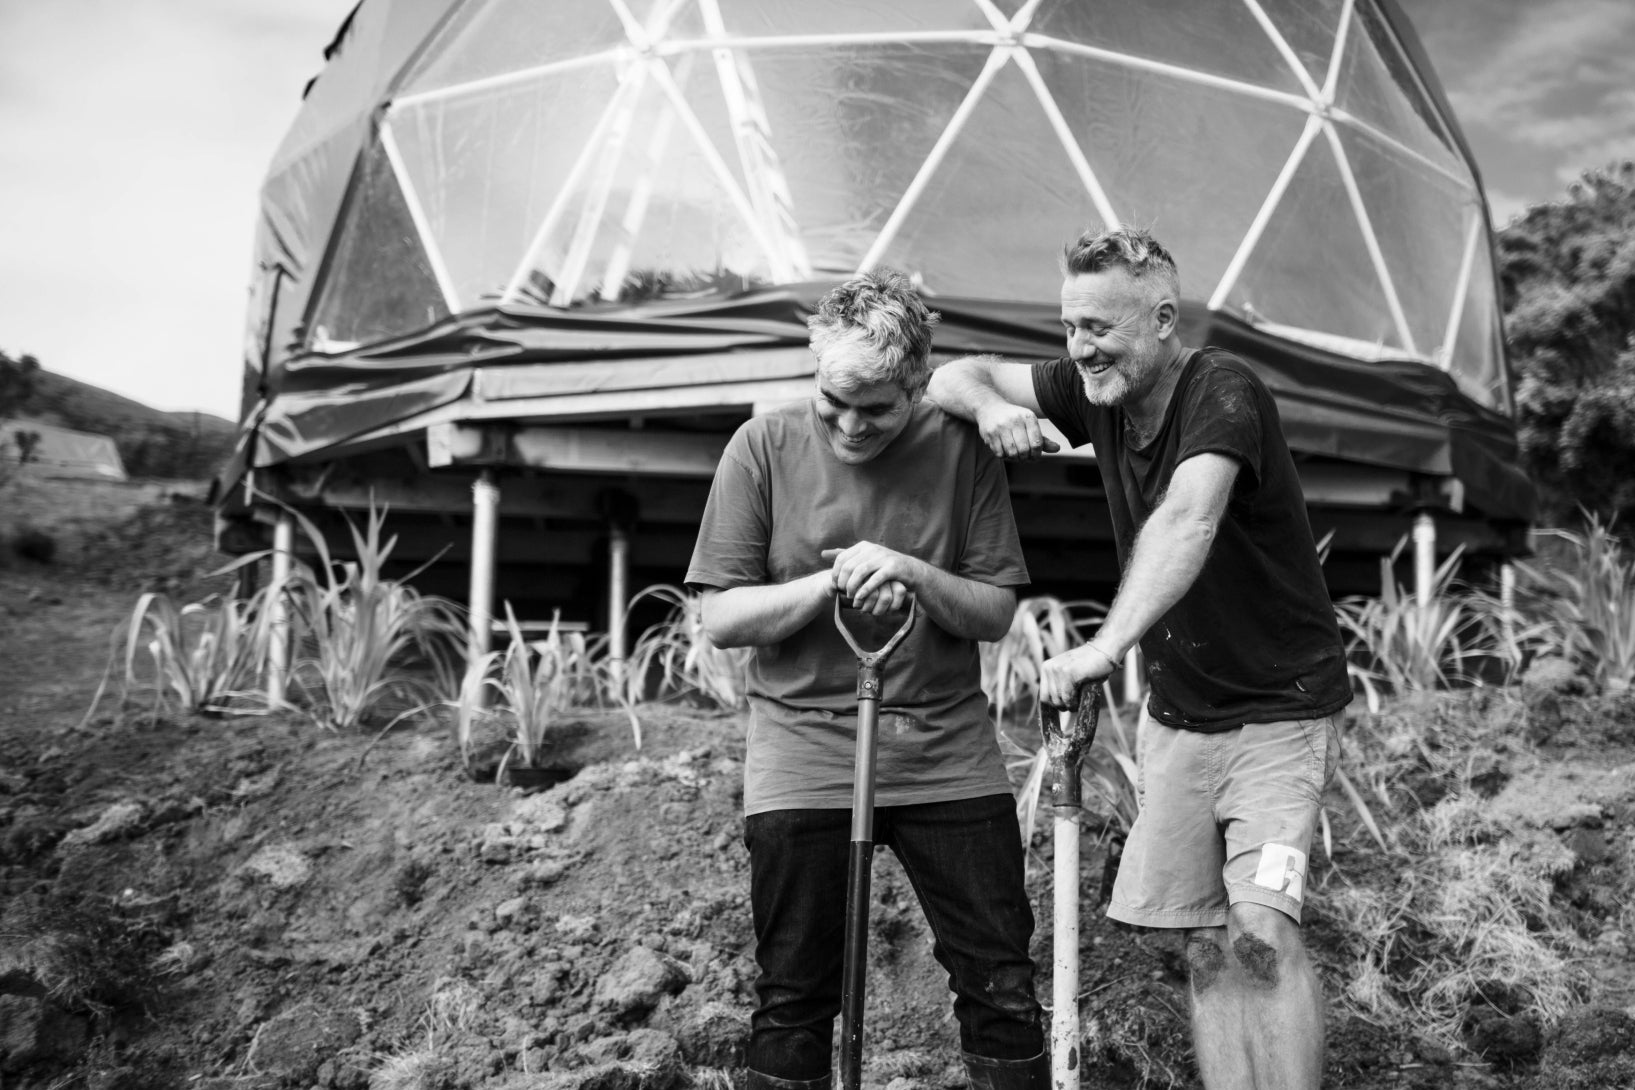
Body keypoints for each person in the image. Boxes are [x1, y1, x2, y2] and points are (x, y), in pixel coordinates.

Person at [927, 226, 1350, 1090]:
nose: (1080, 348)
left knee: (1260, 936)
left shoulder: (1222, 389)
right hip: (1181, 719)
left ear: (1162, 319)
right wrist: (994, 409)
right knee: (1201, 947)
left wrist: (1104, 649)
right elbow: (950, 373)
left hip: (1278, 712)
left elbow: (1189, 518)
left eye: (1100, 328)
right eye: (1071, 326)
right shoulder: (1094, 390)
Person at [686, 269, 1047, 1090]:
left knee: (999, 984)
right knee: (792, 997)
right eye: (832, 401)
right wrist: (831, 584)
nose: (850, 426)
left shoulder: (961, 452)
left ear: (919, 386)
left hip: (941, 746)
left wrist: (912, 573)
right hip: (802, 748)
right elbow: (721, 617)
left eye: (877, 409)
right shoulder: (763, 448)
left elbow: (992, 612)